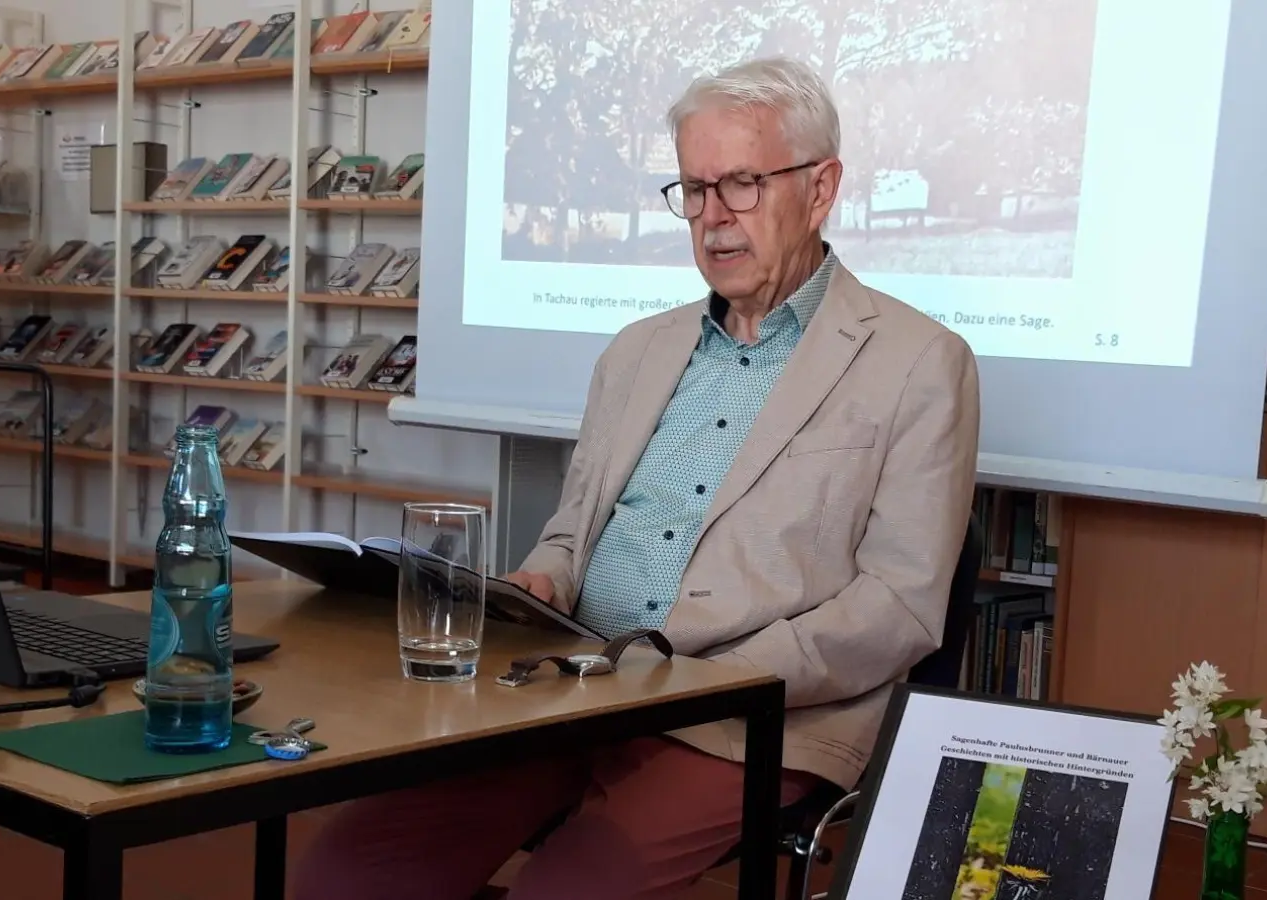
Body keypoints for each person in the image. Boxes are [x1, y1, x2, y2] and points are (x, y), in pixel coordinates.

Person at [293, 55, 980, 900]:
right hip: (573, 687)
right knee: (345, 870)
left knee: (563, 892)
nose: (714, 219)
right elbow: (571, 531)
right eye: (693, 190)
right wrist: (544, 580)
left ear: (822, 186)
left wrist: (716, 677)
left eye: (742, 185)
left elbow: (901, 604)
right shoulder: (637, 351)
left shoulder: (919, 362)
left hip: (751, 717)